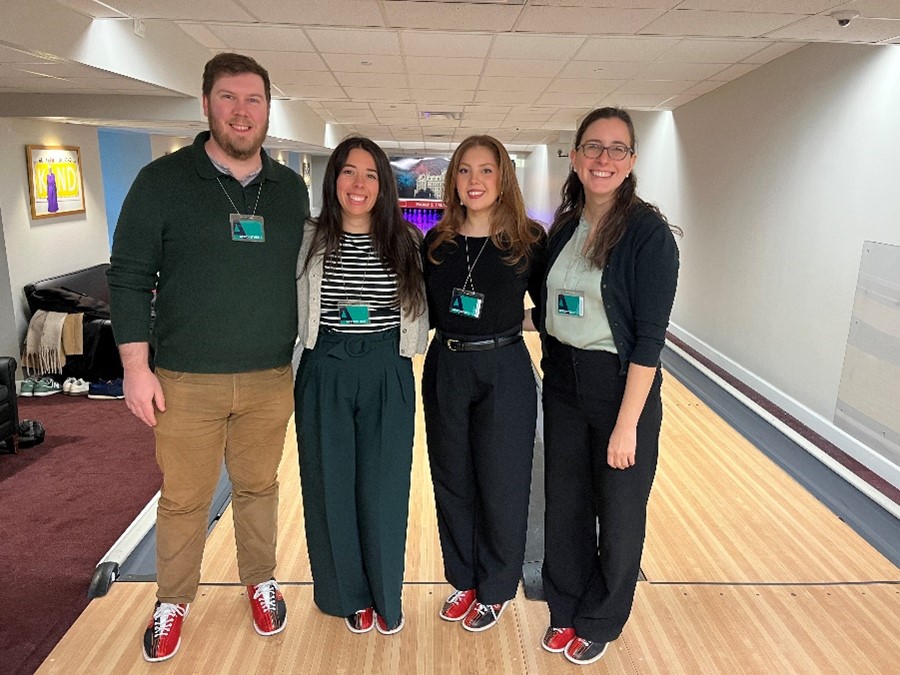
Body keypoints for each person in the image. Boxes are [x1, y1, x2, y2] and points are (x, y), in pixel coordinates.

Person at [107, 53, 308, 663]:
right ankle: (173, 600)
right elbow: (129, 277)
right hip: (185, 379)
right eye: (228, 98)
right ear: (205, 104)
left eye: (253, 100)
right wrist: (136, 368)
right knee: (185, 498)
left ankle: (260, 581)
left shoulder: (290, 189)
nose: (241, 112)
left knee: (258, 489)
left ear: (268, 109)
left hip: (271, 376)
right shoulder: (162, 182)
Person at [532, 107, 680, 665]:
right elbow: (550, 309)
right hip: (565, 381)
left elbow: (648, 339)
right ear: (574, 155)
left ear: (633, 161)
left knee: (618, 513)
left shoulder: (648, 234)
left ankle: (601, 618)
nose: (603, 159)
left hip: (621, 388)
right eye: (593, 147)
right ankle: (565, 608)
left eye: (617, 148)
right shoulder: (567, 225)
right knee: (565, 504)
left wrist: (627, 424)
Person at [294, 136, 428, 636]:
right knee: (329, 485)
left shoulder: (407, 242)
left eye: (371, 175)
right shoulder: (308, 239)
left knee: (385, 487)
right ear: (334, 180)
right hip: (325, 365)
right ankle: (346, 595)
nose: (359, 184)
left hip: (385, 368)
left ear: (384, 185)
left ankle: (385, 594)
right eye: (349, 172)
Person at [422, 135, 546, 632]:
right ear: (454, 179)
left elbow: (551, 309)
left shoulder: (528, 241)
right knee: (453, 479)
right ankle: (463, 580)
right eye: (466, 171)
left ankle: (495, 588)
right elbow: (425, 312)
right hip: (447, 367)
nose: (475, 181)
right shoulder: (438, 243)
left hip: (504, 369)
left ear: (503, 180)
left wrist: (517, 325)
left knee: (503, 482)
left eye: (486, 170)